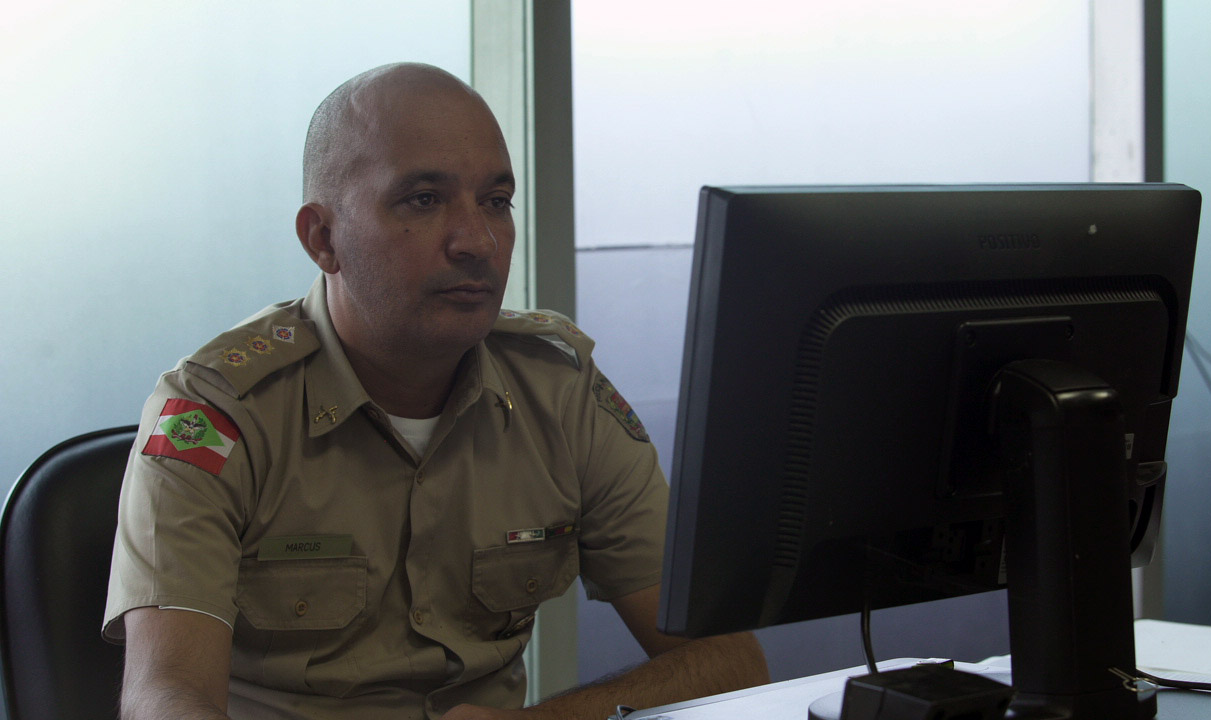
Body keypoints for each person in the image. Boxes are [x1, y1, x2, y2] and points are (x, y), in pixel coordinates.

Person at [103, 62, 768, 720]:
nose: (478, 240)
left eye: (496, 201)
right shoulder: (220, 413)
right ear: (323, 239)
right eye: (423, 200)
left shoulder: (557, 394)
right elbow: (165, 698)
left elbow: (731, 664)